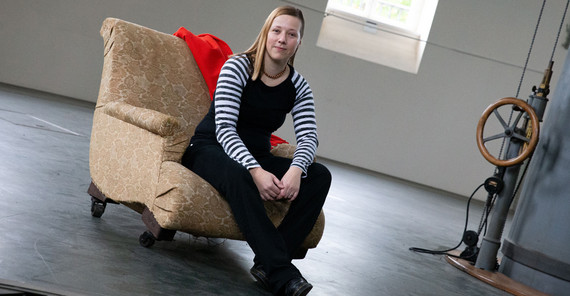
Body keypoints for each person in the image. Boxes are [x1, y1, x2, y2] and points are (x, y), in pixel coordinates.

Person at [181, 6, 331, 296]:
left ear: (299, 42)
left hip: (257, 155)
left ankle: (268, 263)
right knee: (240, 175)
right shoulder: (237, 67)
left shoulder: (298, 85)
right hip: (209, 147)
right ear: (266, 33)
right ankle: (282, 272)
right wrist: (256, 171)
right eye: (277, 30)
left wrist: (296, 170)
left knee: (320, 175)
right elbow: (224, 127)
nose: (282, 39)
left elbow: (309, 136)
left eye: (291, 34)